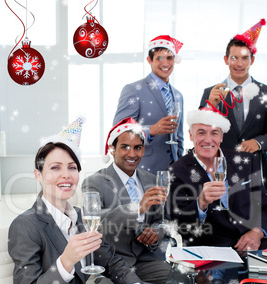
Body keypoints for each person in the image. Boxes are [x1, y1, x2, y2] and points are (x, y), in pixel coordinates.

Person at [8, 118, 152, 284]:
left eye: (72, 167)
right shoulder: (26, 226)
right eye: (55, 168)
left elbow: (112, 260)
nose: (65, 175)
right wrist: (65, 262)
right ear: (38, 174)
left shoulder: (84, 218)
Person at [81, 117, 172, 284]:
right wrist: (137, 207)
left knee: (177, 280)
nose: (132, 153)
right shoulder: (95, 182)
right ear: (112, 149)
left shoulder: (150, 179)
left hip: (146, 260)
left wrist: (155, 234)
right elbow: (97, 223)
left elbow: (164, 221)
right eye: (125, 147)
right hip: (112, 263)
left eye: (138, 147)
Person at [169, 108, 267, 250]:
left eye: (214, 133)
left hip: (254, 244)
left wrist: (258, 231)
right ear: (191, 135)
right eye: (201, 132)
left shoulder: (246, 160)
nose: (208, 140)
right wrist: (200, 203)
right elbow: (178, 223)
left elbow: (264, 204)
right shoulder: (177, 170)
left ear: (221, 136)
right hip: (210, 249)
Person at [113, 35, 184, 174]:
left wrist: (181, 163)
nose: (165, 63)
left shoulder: (178, 95)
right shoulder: (134, 90)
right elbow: (119, 129)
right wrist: (151, 130)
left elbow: (179, 136)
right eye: (159, 58)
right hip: (144, 169)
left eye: (169, 58)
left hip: (173, 171)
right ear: (149, 60)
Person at [199, 19, 267, 161]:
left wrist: (259, 143)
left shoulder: (265, 92)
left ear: (252, 61)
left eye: (245, 58)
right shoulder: (210, 92)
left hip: (256, 167)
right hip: (220, 166)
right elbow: (199, 132)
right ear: (226, 59)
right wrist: (210, 105)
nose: (239, 64)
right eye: (234, 58)